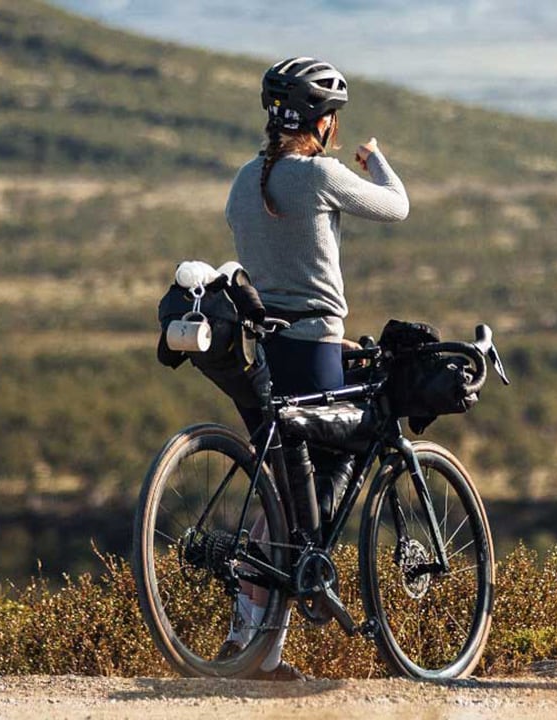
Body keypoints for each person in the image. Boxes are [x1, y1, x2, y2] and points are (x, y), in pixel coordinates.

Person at [220, 55, 410, 681]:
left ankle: (254, 643)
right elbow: (396, 206)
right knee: (342, 458)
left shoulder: (245, 179)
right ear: (325, 124)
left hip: (265, 351)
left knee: (281, 490)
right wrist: (376, 157)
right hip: (317, 344)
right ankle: (282, 603)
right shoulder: (319, 175)